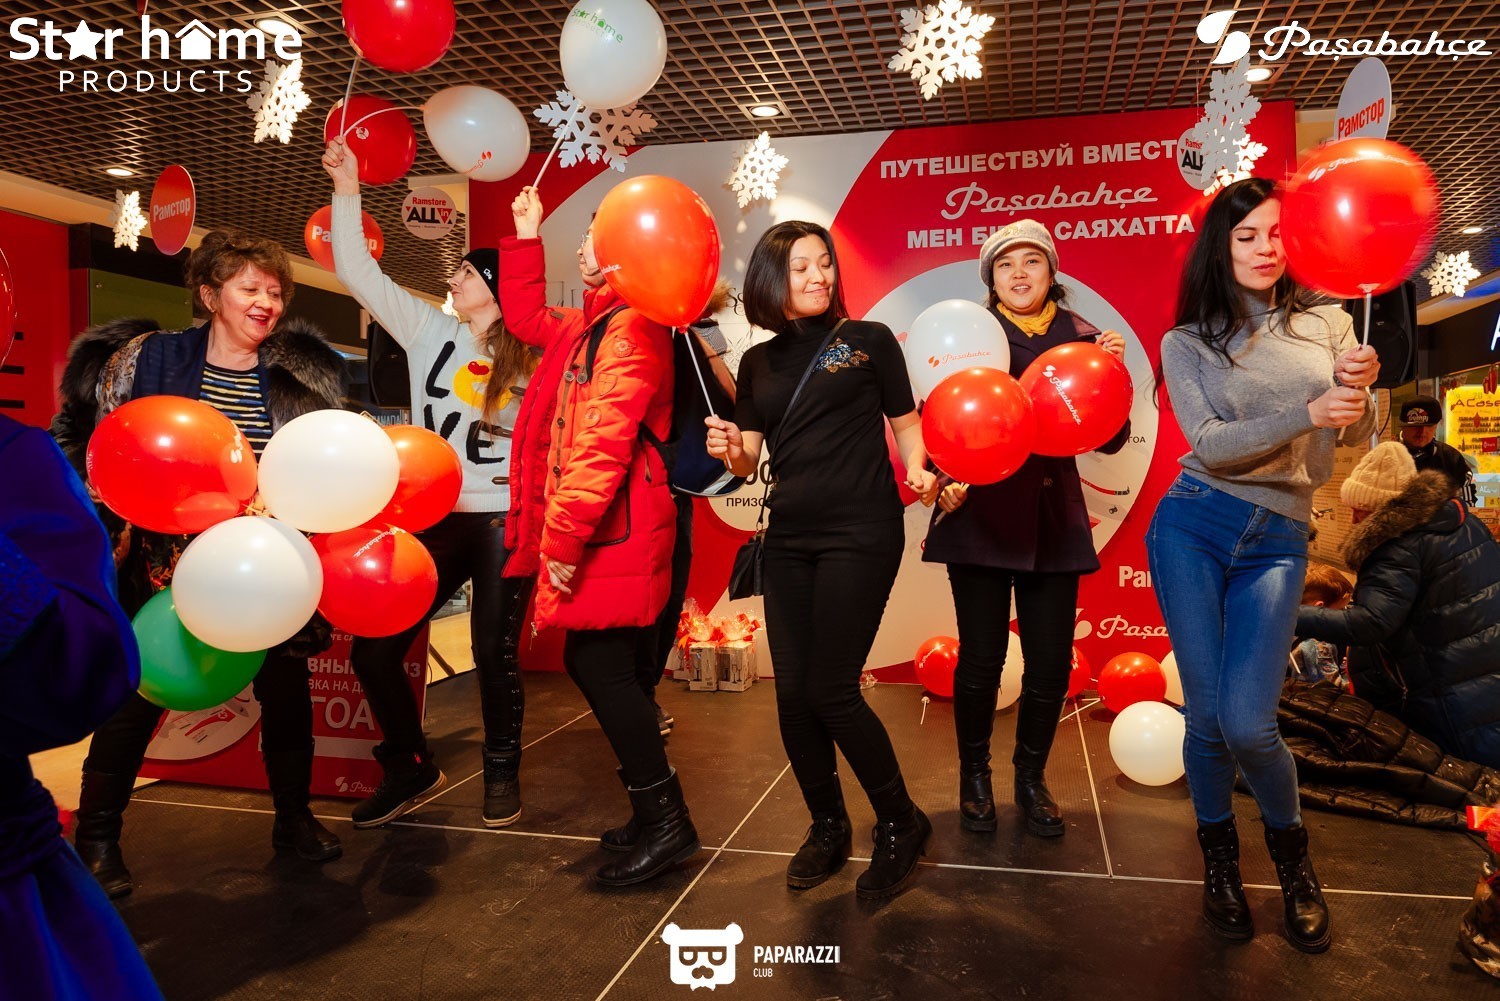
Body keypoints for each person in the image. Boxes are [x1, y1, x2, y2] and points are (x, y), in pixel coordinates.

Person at [51, 230, 348, 897]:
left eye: (275, 290)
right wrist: (107, 525)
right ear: (211, 295)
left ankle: (294, 819)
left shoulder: (301, 375)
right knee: (139, 692)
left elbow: (319, 467)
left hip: (266, 558)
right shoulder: (149, 360)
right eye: (250, 288)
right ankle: (97, 837)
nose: (266, 302)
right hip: (164, 562)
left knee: (286, 692)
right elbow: (99, 446)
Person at [1147, 177, 1380, 953]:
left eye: (1276, 232)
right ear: (1220, 246)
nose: (1264, 247)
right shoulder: (1188, 341)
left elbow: (1355, 433)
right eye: (1246, 235)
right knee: (1208, 717)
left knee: (1250, 723)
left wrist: (1363, 390)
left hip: (1279, 535)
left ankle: (1293, 860)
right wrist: (1306, 411)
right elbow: (1212, 444)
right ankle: (1220, 861)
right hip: (1193, 524)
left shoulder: (1328, 323)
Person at [705, 220, 939, 900]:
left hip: (861, 532)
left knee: (831, 690)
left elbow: (906, 425)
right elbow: (749, 458)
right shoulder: (757, 363)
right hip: (789, 537)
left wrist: (918, 467)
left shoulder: (867, 340)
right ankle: (828, 825)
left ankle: (901, 821)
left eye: (825, 263)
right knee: (792, 692)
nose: (819, 276)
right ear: (771, 280)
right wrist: (731, 448)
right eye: (802, 266)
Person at [323, 138, 537, 831]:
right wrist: (348, 190)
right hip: (436, 513)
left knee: (492, 650)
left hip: (503, 514)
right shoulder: (427, 331)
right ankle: (409, 764)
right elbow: (358, 271)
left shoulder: (532, 353)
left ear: (497, 287)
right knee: (375, 649)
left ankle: (501, 770)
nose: (457, 277)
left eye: (471, 272)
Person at [500, 185, 698, 887]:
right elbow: (523, 317)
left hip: (617, 527)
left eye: (594, 236)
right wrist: (527, 232)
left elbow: (603, 443)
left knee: (602, 665)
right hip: (612, 525)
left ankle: (667, 820)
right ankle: (655, 812)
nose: (584, 246)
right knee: (604, 666)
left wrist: (560, 539)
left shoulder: (632, 326)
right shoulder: (594, 323)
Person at [922, 219, 1129, 839]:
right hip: (979, 513)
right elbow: (944, 415)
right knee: (981, 659)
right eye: (1005, 264)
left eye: (1031, 261)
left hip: (1052, 519)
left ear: (1051, 272)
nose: (1019, 273)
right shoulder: (971, 337)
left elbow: (1111, 440)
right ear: (990, 279)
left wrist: (1110, 376)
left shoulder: (1084, 339)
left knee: (1048, 665)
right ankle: (974, 778)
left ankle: (1032, 778)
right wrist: (945, 475)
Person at [1, 404, 163, 998]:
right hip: (147, 549)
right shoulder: (136, 370)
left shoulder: (12, 453)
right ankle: (99, 835)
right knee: (135, 709)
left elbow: (81, 674)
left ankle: (293, 818)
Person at [1296, 441, 1500, 767]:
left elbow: (1371, 622)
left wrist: (1289, 615)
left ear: (1384, 509)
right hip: (1481, 668)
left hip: (1442, 686)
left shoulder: (1397, 545)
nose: (1353, 519)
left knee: (1459, 772)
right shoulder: (1466, 524)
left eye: (1361, 509)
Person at [1397, 394, 1476, 505]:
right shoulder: (1388, 456)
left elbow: (1468, 503)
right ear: (1403, 425)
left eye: (1429, 426)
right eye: (1416, 425)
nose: (1422, 431)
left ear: (1436, 426)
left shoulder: (1451, 458)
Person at [1290, 564, 1352, 688]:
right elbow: (1332, 686)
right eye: (1340, 610)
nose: (1343, 615)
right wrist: (1349, 675)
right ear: (1320, 608)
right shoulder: (1317, 645)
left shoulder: (1293, 625)